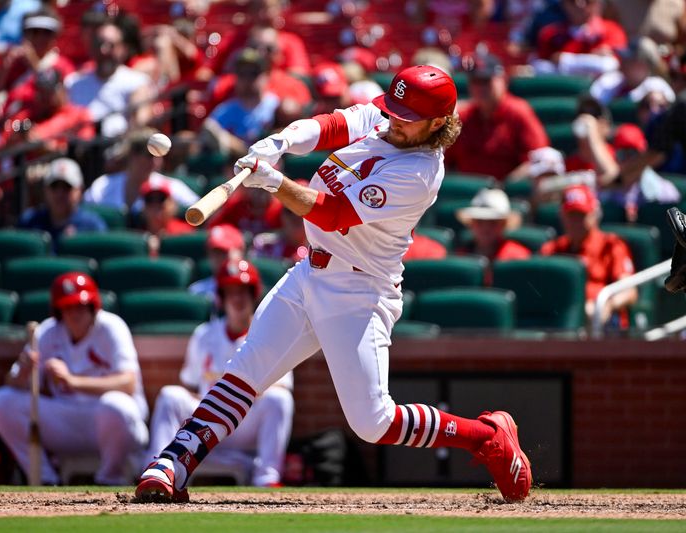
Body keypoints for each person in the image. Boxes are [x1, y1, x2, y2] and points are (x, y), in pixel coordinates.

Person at [136, 65, 532, 504]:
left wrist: (275, 182)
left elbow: (332, 213)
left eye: (407, 115)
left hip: (358, 292)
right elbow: (332, 125)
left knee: (373, 422)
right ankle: (173, 462)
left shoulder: (419, 173)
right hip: (310, 273)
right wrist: (282, 141)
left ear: (437, 122)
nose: (394, 118)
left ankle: (485, 435)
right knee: (243, 371)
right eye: (393, 108)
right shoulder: (389, 120)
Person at [144, 259, 293, 488]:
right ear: (221, 297)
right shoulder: (204, 334)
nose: (237, 298)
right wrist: (210, 402)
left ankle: (267, 477)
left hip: (247, 421)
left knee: (279, 399)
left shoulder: (268, 333)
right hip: (207, 422)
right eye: (231, 292)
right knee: (170, 395)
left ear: (253, 295)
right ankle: (158, 468)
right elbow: (192, 385)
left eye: (243, 291)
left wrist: (234, 396)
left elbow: (282, 385)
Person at [0, 272, 149, 485]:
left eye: (81, 306)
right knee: (2, 400)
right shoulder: (47, 331)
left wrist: (73, 381)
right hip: (66, 419)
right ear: (58, 310)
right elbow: (12, 381)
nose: (75, 313)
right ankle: (45, 479)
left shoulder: (112, 327)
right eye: (68, 307)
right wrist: (25, 370)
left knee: (115, 405)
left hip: (111, 423)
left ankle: (110, 478)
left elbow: (128, 384)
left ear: (93, 306)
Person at [540, 184, 637, 327]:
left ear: (594, 216)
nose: (575, 222)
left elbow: (629, 292)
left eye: (581, 215)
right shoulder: (552, 249)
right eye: (571, 215)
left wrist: (605, 306)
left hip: (601, 321)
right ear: (562, 217)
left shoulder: (610, 245)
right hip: (560, 318)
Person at [444, 53, 549, 182]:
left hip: (507, 195)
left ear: (503, 80)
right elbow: (446, 161)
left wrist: (507, 185)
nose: (480, 88)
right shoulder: (463, 116)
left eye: (486, 81)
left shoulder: (518, 112)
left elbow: (540, 158)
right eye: (475, 81)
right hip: (466, 194)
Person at [65, 21, 152, 138]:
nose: (104, 51)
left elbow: (140, 124)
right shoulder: (74, 83)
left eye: (111, 45)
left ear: (123, 49)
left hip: (120, 149)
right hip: (80, 148)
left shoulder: (136, 82)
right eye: (99, 44)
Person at [84, 129, 198, 212]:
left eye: (159, 156)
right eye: (149, 155)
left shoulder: (171, 186)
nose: (155, 162)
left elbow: (198, 208)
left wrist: (174, 210)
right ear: (133, 155)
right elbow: (85, 210)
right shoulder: (103, 186)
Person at [0, 68, 94, 154]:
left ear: (62, 89)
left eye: (49, 92)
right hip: (27, 170)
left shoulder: (79, 115)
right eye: (41, 92)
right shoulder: (27, 116)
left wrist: (45, 146)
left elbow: (84, 149)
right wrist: (17, 138)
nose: (45, 97)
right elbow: (0, 148)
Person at [201, 48, 280, 158]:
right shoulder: (225, 110)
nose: (247, 79)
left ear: (266, 76)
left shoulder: (276, 106)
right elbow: (209, 130)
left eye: (253, 73)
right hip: (234, 167)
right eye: (242, 74)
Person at [17, 157, 107, 252]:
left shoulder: (92, 226)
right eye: (54, 186)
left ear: (79, 190)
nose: (60, 194)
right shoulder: (29, 221)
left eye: (67, 187)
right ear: (45, 190)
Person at [456, 189, 531, 284]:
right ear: (471, 224)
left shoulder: (518, 257)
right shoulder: (461, 255)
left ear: (504, 225)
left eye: (493, 222)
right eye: (479, 221)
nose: (486, 228)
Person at [534, 0, 627, 76]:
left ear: (598, 3)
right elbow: (540, 67)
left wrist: (564, 60)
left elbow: (610, 66)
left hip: (595, 96)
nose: (580, 5)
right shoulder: (550, 34)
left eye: (588, 1)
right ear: (563, 4)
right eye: (572, 1)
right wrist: (591, 59)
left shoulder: (612, 30)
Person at [188, 224, 246, 298]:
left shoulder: (252, 289)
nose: (218, 258)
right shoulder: (197, 292)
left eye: (224, 252)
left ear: (240, 251)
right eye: (214, 252)